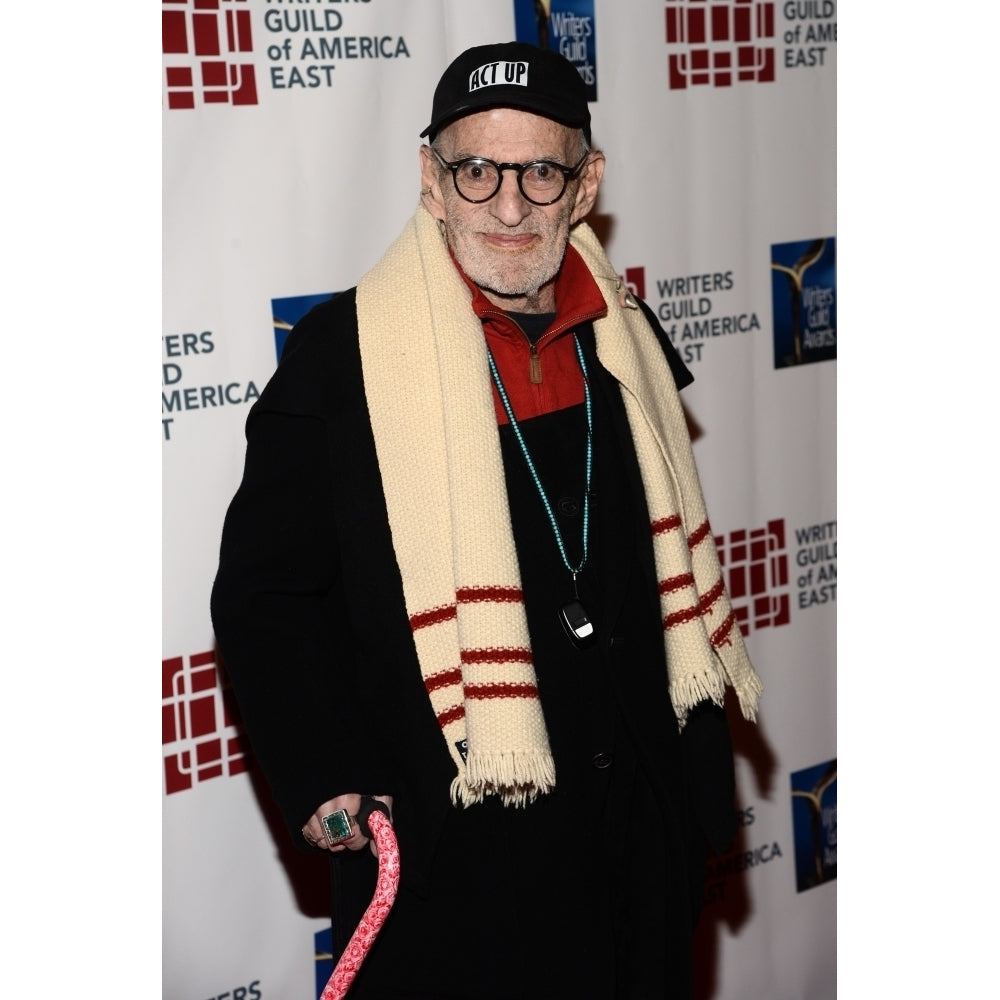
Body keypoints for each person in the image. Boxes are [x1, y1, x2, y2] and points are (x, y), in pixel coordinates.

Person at [211, 40, 762, 1000]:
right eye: (476, 171)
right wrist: (330, 776)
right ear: (432, 180)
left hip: (639, 846)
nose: (509, 209)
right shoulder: (339, 364)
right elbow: (267, 598)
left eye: (540, 172)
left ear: (585, 184)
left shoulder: (628, 337)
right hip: (456, 865)